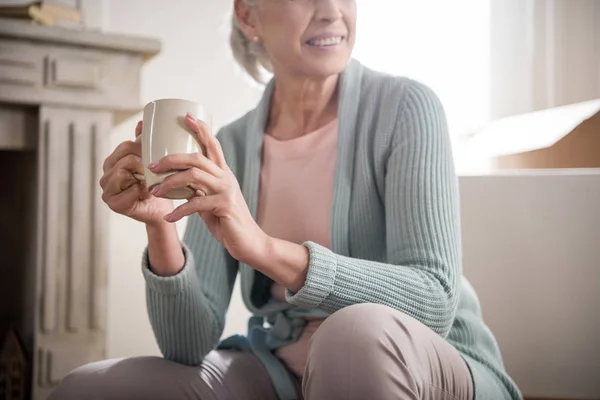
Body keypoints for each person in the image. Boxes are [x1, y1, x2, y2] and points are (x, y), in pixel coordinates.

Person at [50, 0, 521, 399]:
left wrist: (263, 248)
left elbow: (435, 300)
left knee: (350, 338)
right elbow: (187, 345)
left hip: (427, 361)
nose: (332, 11)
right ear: (250, 16)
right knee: (89, 387)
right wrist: (160, 224)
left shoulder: (406, 109)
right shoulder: (230, 145)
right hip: (281, 370)